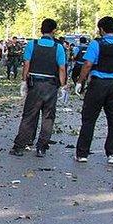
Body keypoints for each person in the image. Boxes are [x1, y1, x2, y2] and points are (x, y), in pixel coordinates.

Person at [74, 17, 113, 164]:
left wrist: (80, 82)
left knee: (89, 119)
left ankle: (82, 154)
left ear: (101, 29)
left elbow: (88, 64)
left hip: (98, 84)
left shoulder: (96, 43)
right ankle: (112, 154)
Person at [9, 19, 67, 157]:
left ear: (41, 30)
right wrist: (63, 87)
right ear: (54, 31)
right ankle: (41, 147)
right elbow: (62, 68)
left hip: (35, 85)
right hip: (51, 86)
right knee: (48, 117)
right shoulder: (58, 48)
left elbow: (26, 64)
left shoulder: (32, 45)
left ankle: (19, 147)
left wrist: (24, 81)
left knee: (29, 116)